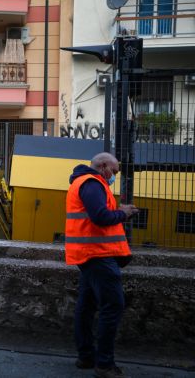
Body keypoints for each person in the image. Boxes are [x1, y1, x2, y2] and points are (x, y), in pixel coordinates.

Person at [65, 152, 139, 378]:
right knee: (113, 305)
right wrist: (123, 213)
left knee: (86, 306)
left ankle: (86, 356)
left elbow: (97, 216)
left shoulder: (84, 182)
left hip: (89, 255)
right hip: (98, 255)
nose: (114, 176)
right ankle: (104, 364)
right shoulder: (92, 183)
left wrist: (118, 212)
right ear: (104, 166)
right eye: (114, 172)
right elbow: (100, 217)